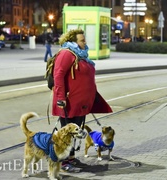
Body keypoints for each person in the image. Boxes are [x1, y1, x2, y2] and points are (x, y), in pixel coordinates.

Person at [52, 29, 112, 172]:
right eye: (82, 40)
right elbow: (58, 75)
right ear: (73, 42)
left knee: (76, 133)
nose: (85, 42)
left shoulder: (81, 55)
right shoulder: (66, 53)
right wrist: (60, 98)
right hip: (69, 102)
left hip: (81, 103)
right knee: (67, 134)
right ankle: (62, 161)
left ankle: (71, 157)